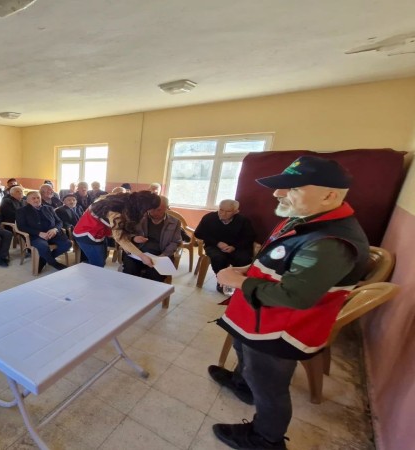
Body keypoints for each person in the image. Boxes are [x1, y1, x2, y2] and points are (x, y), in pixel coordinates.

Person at [209, 156, 369, 449]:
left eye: (293, 188)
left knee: (268, 384)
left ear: (329, 196)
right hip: (257, 314)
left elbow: (296, 296)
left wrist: (239, 282)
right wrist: (246, 270)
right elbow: (277, 261)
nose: (278, 193)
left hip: (279, 329)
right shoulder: (304, 218)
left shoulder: (330, 242)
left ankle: (266, 438)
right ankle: (242, 384)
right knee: (243, 351)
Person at [73, 191, 161, 268]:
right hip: (86, 234)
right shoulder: (116, 212)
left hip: (97, 232)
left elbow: (120, 230)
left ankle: (86, 272)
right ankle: (84, 275)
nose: (147, 213)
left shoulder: (125, 198)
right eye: (147, 210)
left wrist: (133, 238)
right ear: (142, 207)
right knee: (98, 263)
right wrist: (142, 256)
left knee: (101, 259)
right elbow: (119, 238)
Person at [194, 199, 256, 293]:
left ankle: (238, 282)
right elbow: (199, 233)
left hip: (236, 247)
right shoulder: (209, 217)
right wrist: (217, 243)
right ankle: (222, 281)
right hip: (214, 246)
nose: (223, 213)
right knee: (218, 258)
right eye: (221, 210)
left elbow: (250, 237)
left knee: (244, 259)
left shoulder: (243, 220)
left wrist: (234, 247)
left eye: (228, 211)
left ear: (236, 211)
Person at [121, 195, 181, 283]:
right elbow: (125, 234)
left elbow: (175, 242)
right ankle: (130, 289)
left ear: (167, 208)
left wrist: (164, 255)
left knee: (155, 275)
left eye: (159, 210)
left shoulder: (174, 222)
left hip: (160, 255)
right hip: (138, 253)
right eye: (152, 209)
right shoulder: (138, 218)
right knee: (130, 269)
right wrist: (134, 238)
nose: (154, 212)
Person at [16, 191, 71, 273]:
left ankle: (43, 259)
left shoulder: (49, 208)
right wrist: (39, 233)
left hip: (53, 234)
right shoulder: (21, 211)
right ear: (27, 200)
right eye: (33, 198)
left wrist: (55, 229)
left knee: (67, 244)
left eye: (38, 198)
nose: (36, 200)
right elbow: (21, 226)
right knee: (43, 246)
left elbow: (59, 222)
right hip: (36, 235)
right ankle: (53, 263)